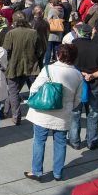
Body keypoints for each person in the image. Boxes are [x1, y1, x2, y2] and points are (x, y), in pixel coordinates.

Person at [25, 44, 83, 181]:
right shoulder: (77, 74)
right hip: (63, 114)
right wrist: (68, 107)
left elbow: (34, 88)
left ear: (59, 55)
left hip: (43, 113)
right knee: (60, 142)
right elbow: (78, 99)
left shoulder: (48, 69)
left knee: (39, 141)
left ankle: (37, 171)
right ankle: (58, 172)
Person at [69, 23, 98, 150]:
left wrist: (81, 73)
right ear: (91, 34)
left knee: (75, 112)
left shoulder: (71, 47)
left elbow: (65, 64)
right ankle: (92, 141)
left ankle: (74, 141)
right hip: (95, 84)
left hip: (75, 84)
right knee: (93, 113)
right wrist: (92, 75)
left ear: (78, 33)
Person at [3, 12, 43, 126]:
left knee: (13, 91)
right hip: (31, 66)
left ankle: (15, 115)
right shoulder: (33, 33)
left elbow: (6, 50)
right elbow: (39, 51)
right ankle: (6, 110)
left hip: (14, 66)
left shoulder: (11, 33)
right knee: (19, 91)